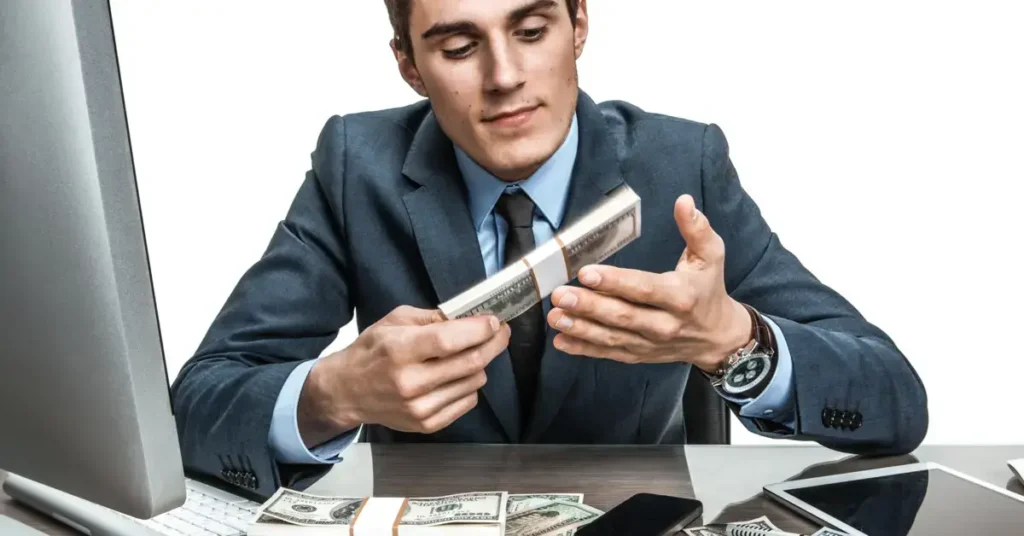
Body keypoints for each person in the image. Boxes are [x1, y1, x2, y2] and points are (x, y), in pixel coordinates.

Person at [169, 0, 928, 498]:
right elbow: (195, 404)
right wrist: (333, 393)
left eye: (531, 31)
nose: (505, 78)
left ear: (580, 25)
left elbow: (894, 397)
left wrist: (734, 342)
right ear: (408, 64)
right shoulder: (353, 164)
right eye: (460, 46)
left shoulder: (681, 165)